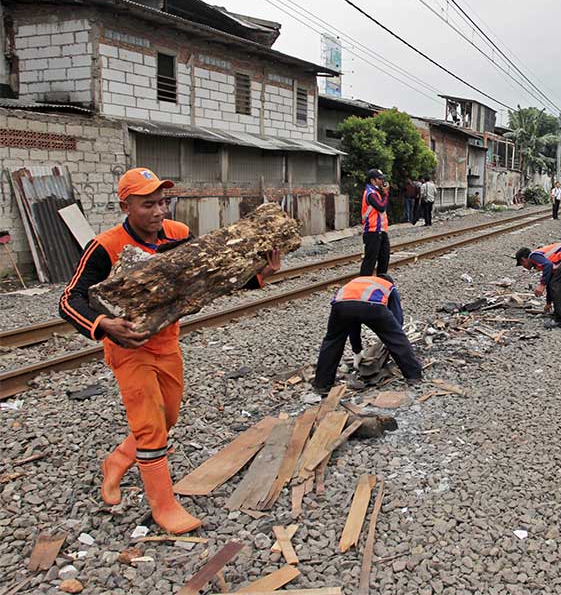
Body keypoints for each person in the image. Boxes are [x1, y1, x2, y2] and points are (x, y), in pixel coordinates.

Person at [59, 168, 282, 534]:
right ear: (126, 205)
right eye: (148, 204)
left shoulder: (178, 235)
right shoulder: (104, 246)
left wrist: (262, 272)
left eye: (163, 202)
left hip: (167, 343)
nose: (159, 210)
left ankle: (117, 461)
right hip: (129, 348)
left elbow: (208, 278)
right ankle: (164, 506)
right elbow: (69, 299)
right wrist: (103, 326)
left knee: (168, 417)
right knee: (149, 427)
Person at [312, 274, 423, 391]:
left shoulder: (357, 282)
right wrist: (392, 335)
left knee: (332, 341)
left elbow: (353, 324)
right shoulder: (389, 286)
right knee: (397, 338)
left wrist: (357, 351)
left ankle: (322, 384)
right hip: (372, 306)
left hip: (341, 306)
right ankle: (413, 375)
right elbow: (397, 317)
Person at [515, 241, 561, 329]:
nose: (524, 267)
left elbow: (548, 266)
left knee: (557, 286)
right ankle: (560, 314)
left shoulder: (533, 256)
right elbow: (550, 280)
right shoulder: (545, 257)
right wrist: (548, 302)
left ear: (523, 260)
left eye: (522, 264)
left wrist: (541, 285)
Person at [360, 168, 390, 276]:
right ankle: (363, 283)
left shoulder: (376, 192)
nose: (382, 181)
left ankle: (380, 283)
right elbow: (381, 207)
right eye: (379, 179)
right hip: (372, 231)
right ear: (372, 180)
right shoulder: (370, 193)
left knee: (384, 259)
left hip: (380, 231)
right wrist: (386, 194)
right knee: (370, 261)